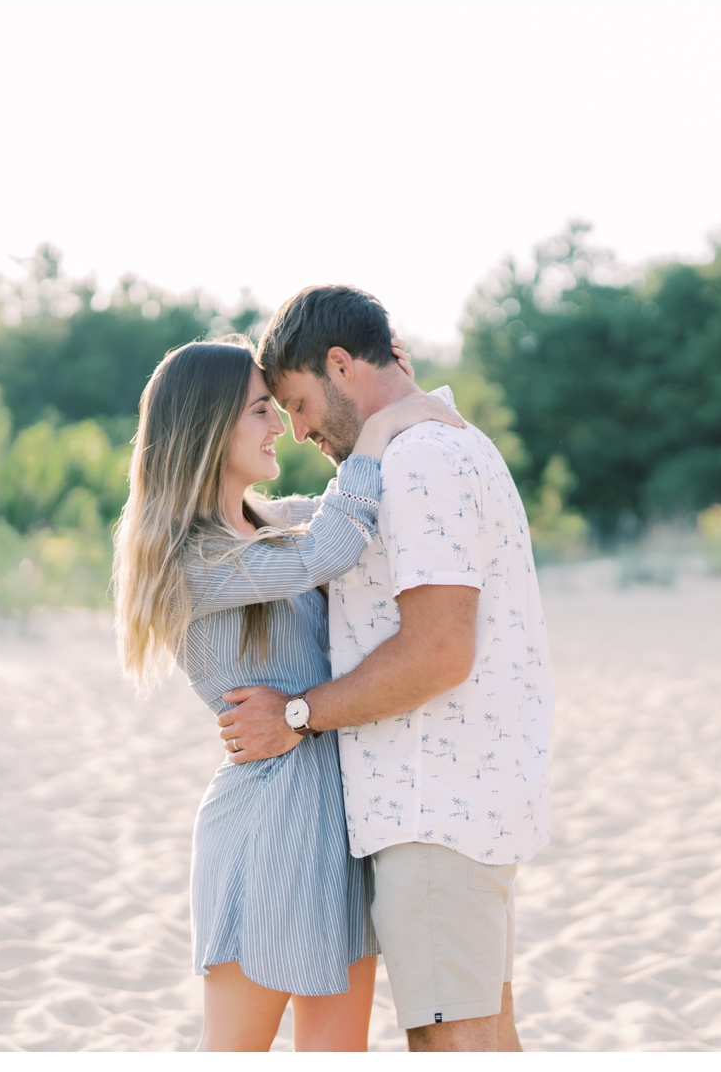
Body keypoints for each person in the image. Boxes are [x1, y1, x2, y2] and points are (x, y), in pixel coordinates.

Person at [216, 285, 556, 1052]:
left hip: (433, 805)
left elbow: (438, 649)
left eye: (299, 403)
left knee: (452, 1046)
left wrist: (296, 714)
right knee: (486, 1041)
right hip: (464, 803)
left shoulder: (422, 459)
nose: (297, 430)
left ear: (341, 365)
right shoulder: (435, 444)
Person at [111, 334, 463, 1052]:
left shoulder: (269, 523)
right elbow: (334, 544)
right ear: (208, 428)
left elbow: (351, 509)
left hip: (338, 825)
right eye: (258, 411)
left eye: (276, 408)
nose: (278, 426)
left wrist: (386, 390)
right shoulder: (192, 557)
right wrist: (383, 426)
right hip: (264, 825)